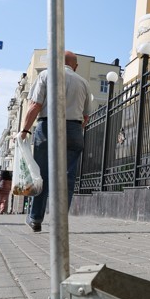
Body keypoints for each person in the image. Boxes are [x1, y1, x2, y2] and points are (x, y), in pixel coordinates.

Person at [19, 51, 90, 232]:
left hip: (49, 126)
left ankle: (35, 218)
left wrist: (25, 130)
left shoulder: (46, 75)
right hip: (74, 129)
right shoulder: (83, 83)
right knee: (67, 177)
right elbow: (86, 116)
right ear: (75, 66)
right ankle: (59, 223)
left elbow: (35, 105)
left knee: (41, 175)